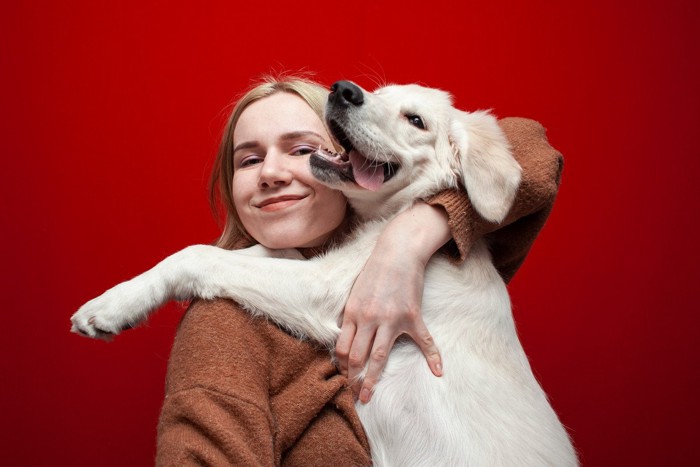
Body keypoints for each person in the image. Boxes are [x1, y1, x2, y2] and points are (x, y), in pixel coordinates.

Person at [156, 75, 563, 465]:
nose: (272, 174)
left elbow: (533, 155)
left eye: (300, 150)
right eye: (249, 159)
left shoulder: (449, 256)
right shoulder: (223, 323)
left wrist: (414, 236)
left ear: (349, 153)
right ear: (230, 183)